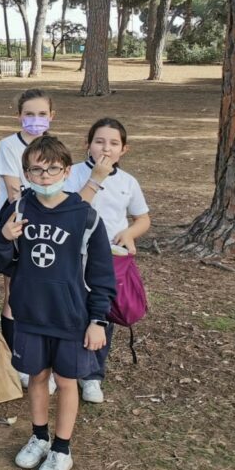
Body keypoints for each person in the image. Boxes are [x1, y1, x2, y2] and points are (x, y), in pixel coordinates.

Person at [0, 135, 116, 470]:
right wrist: (4, 237)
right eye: (36, 170)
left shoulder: (85, 216)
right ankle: (39, 436)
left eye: (53, 169)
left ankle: (62, 448)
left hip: (70, 316)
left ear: (67, 170)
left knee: (66, 380)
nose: (45, 177)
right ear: (26, 173)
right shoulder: (18, 210)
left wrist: (97, 320)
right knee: (37, 377)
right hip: (30, 315)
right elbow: (1, 262)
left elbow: (102, 274)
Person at [65, 118, 150, 404]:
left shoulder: (128, 182)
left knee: (101, 315)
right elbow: (72, 210)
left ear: (124, 150)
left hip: (108, 260)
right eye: (99, 141)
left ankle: (92, 375)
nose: (106, 148)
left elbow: (142, 218)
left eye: (114, 143)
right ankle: (61, 369)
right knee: (69, 310)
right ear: (87, 144)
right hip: (73, 256)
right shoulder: (72, 173)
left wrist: (129, 233)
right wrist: (96, 178)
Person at [0, 88, 57, 393]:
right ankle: (15, 361)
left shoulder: (56, 148)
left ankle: (43, 360)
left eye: (42, 114)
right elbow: (14, 190)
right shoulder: (8, 145)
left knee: (44, 295)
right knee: (14, 295)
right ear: (19, 115)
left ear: (51, 116)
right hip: (16, 227)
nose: (35, 119)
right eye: (29, 113)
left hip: (48, 232)